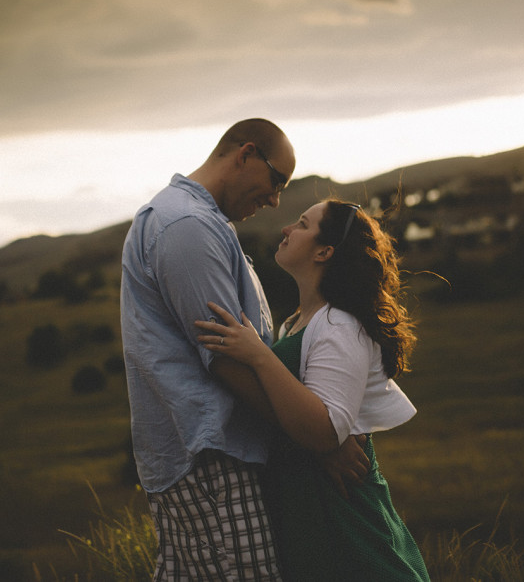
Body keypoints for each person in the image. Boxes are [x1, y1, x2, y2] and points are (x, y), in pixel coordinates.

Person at [120, 120, 367, 580]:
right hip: (212, 455)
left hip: (209, 453)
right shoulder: (187, 227)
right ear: (245, 154)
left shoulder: (199, 222)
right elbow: (226, 359)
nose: (275, 200)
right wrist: (318, 441)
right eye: (277, 181)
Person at [195, 199, 431, 581]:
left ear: (325, 251)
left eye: (302, 224)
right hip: (307, 507)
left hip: (343, 513)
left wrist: (259, 355)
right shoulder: (299, 321)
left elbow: (326, 430)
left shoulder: (340, 326)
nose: (287, 229)